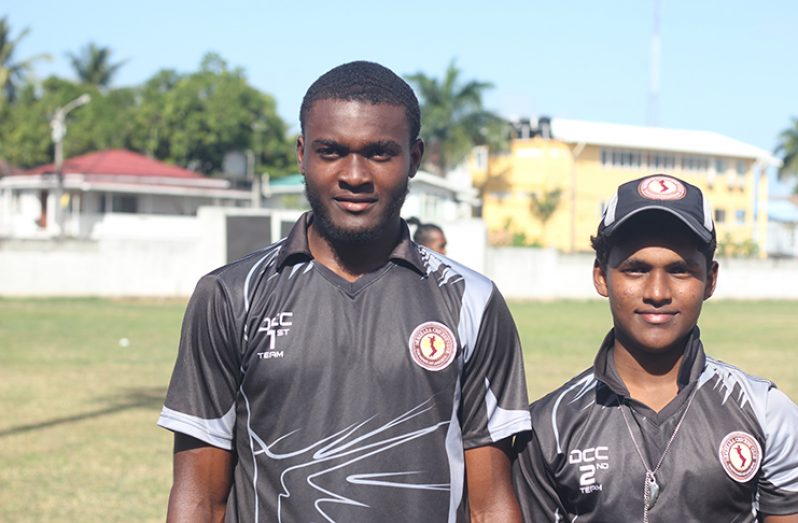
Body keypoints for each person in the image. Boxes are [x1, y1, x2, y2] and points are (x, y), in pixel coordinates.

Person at [158, 60, 532, 522]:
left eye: (379, 153)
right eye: (331, 151)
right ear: (302, 154)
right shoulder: (231, 295)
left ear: (413, 158)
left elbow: (490, 501)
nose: (354, 174)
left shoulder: (472, 300)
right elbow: (199, 494)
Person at [512, 174, 798, 522]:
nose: (658, 292)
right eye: (636, 269)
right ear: (601, 276)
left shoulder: (766, 413)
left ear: (710, 280)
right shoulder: (548, 426)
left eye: (680, 271)